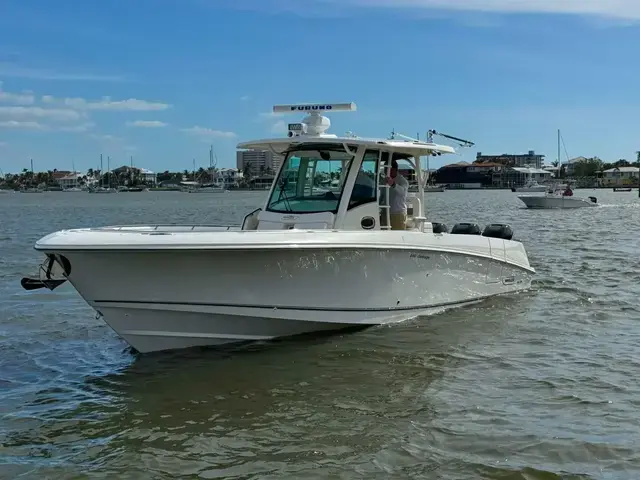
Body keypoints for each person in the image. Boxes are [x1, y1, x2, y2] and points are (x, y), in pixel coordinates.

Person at [386, 159, 409, 230]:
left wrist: (393, 184)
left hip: (398, 214)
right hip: (385, 212)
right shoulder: (384, 180)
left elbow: (402, 192)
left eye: (387, 169)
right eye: (385, 169)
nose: (385, 171)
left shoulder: (402, 181)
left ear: (394, 169)